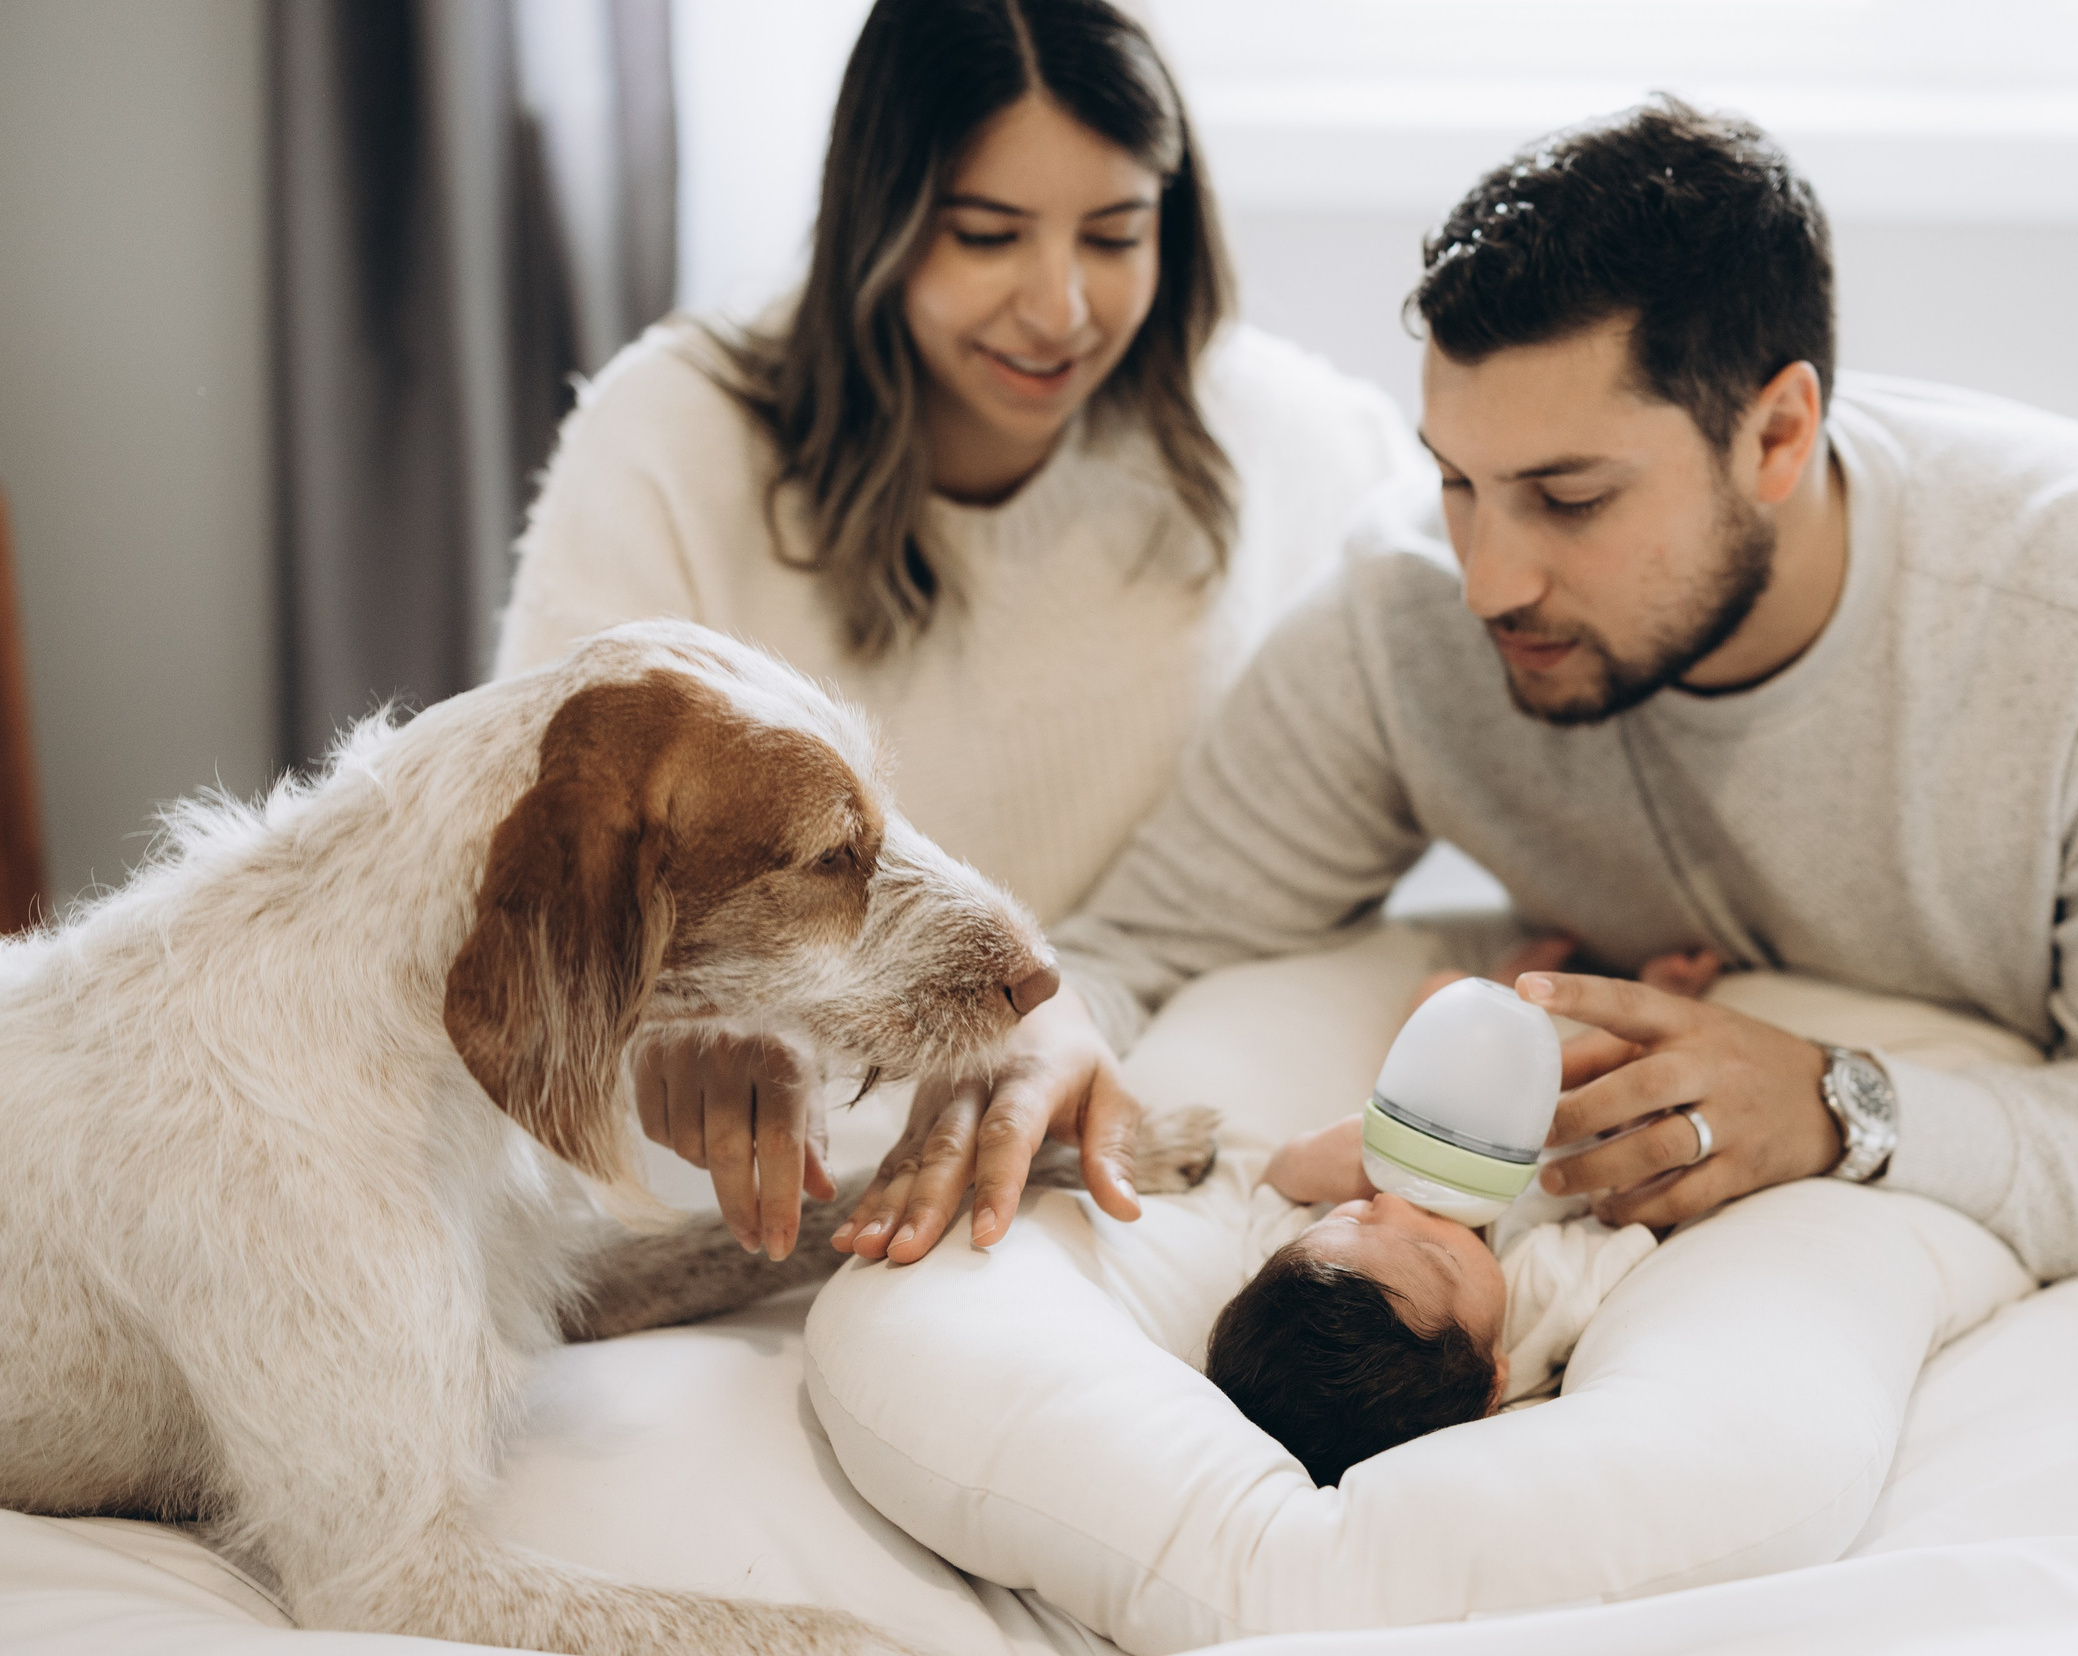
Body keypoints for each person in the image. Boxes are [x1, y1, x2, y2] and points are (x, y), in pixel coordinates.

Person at [845, 96, 2078, 1284]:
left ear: (1777, 434)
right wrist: (1041, 1026)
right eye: (1457, 483)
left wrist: (1841, 1104)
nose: (1491, 576)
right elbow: (1149, 941)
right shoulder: (1405, 613)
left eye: (1568, 497)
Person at [495, 0, 1423, 1259]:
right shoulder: (670, 440)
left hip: (1129, 1104)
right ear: (878, 218)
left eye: (1116, 234)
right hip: (772, 1167)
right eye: (986, 234)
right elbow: (549, 840)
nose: (1061, 307)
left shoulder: (1291, 443)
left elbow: (1461, 679)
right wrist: (691, 1011)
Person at [1208, 1114, 1657, 1487]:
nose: (1393, 1201)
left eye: (1354, 1221)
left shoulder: (1292, 1278)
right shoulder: (1544, 1290)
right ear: (1492, 1382)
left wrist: (1303, 1158)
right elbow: (1644, 1215)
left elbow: (1276, 1191)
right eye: (1436, 1255)